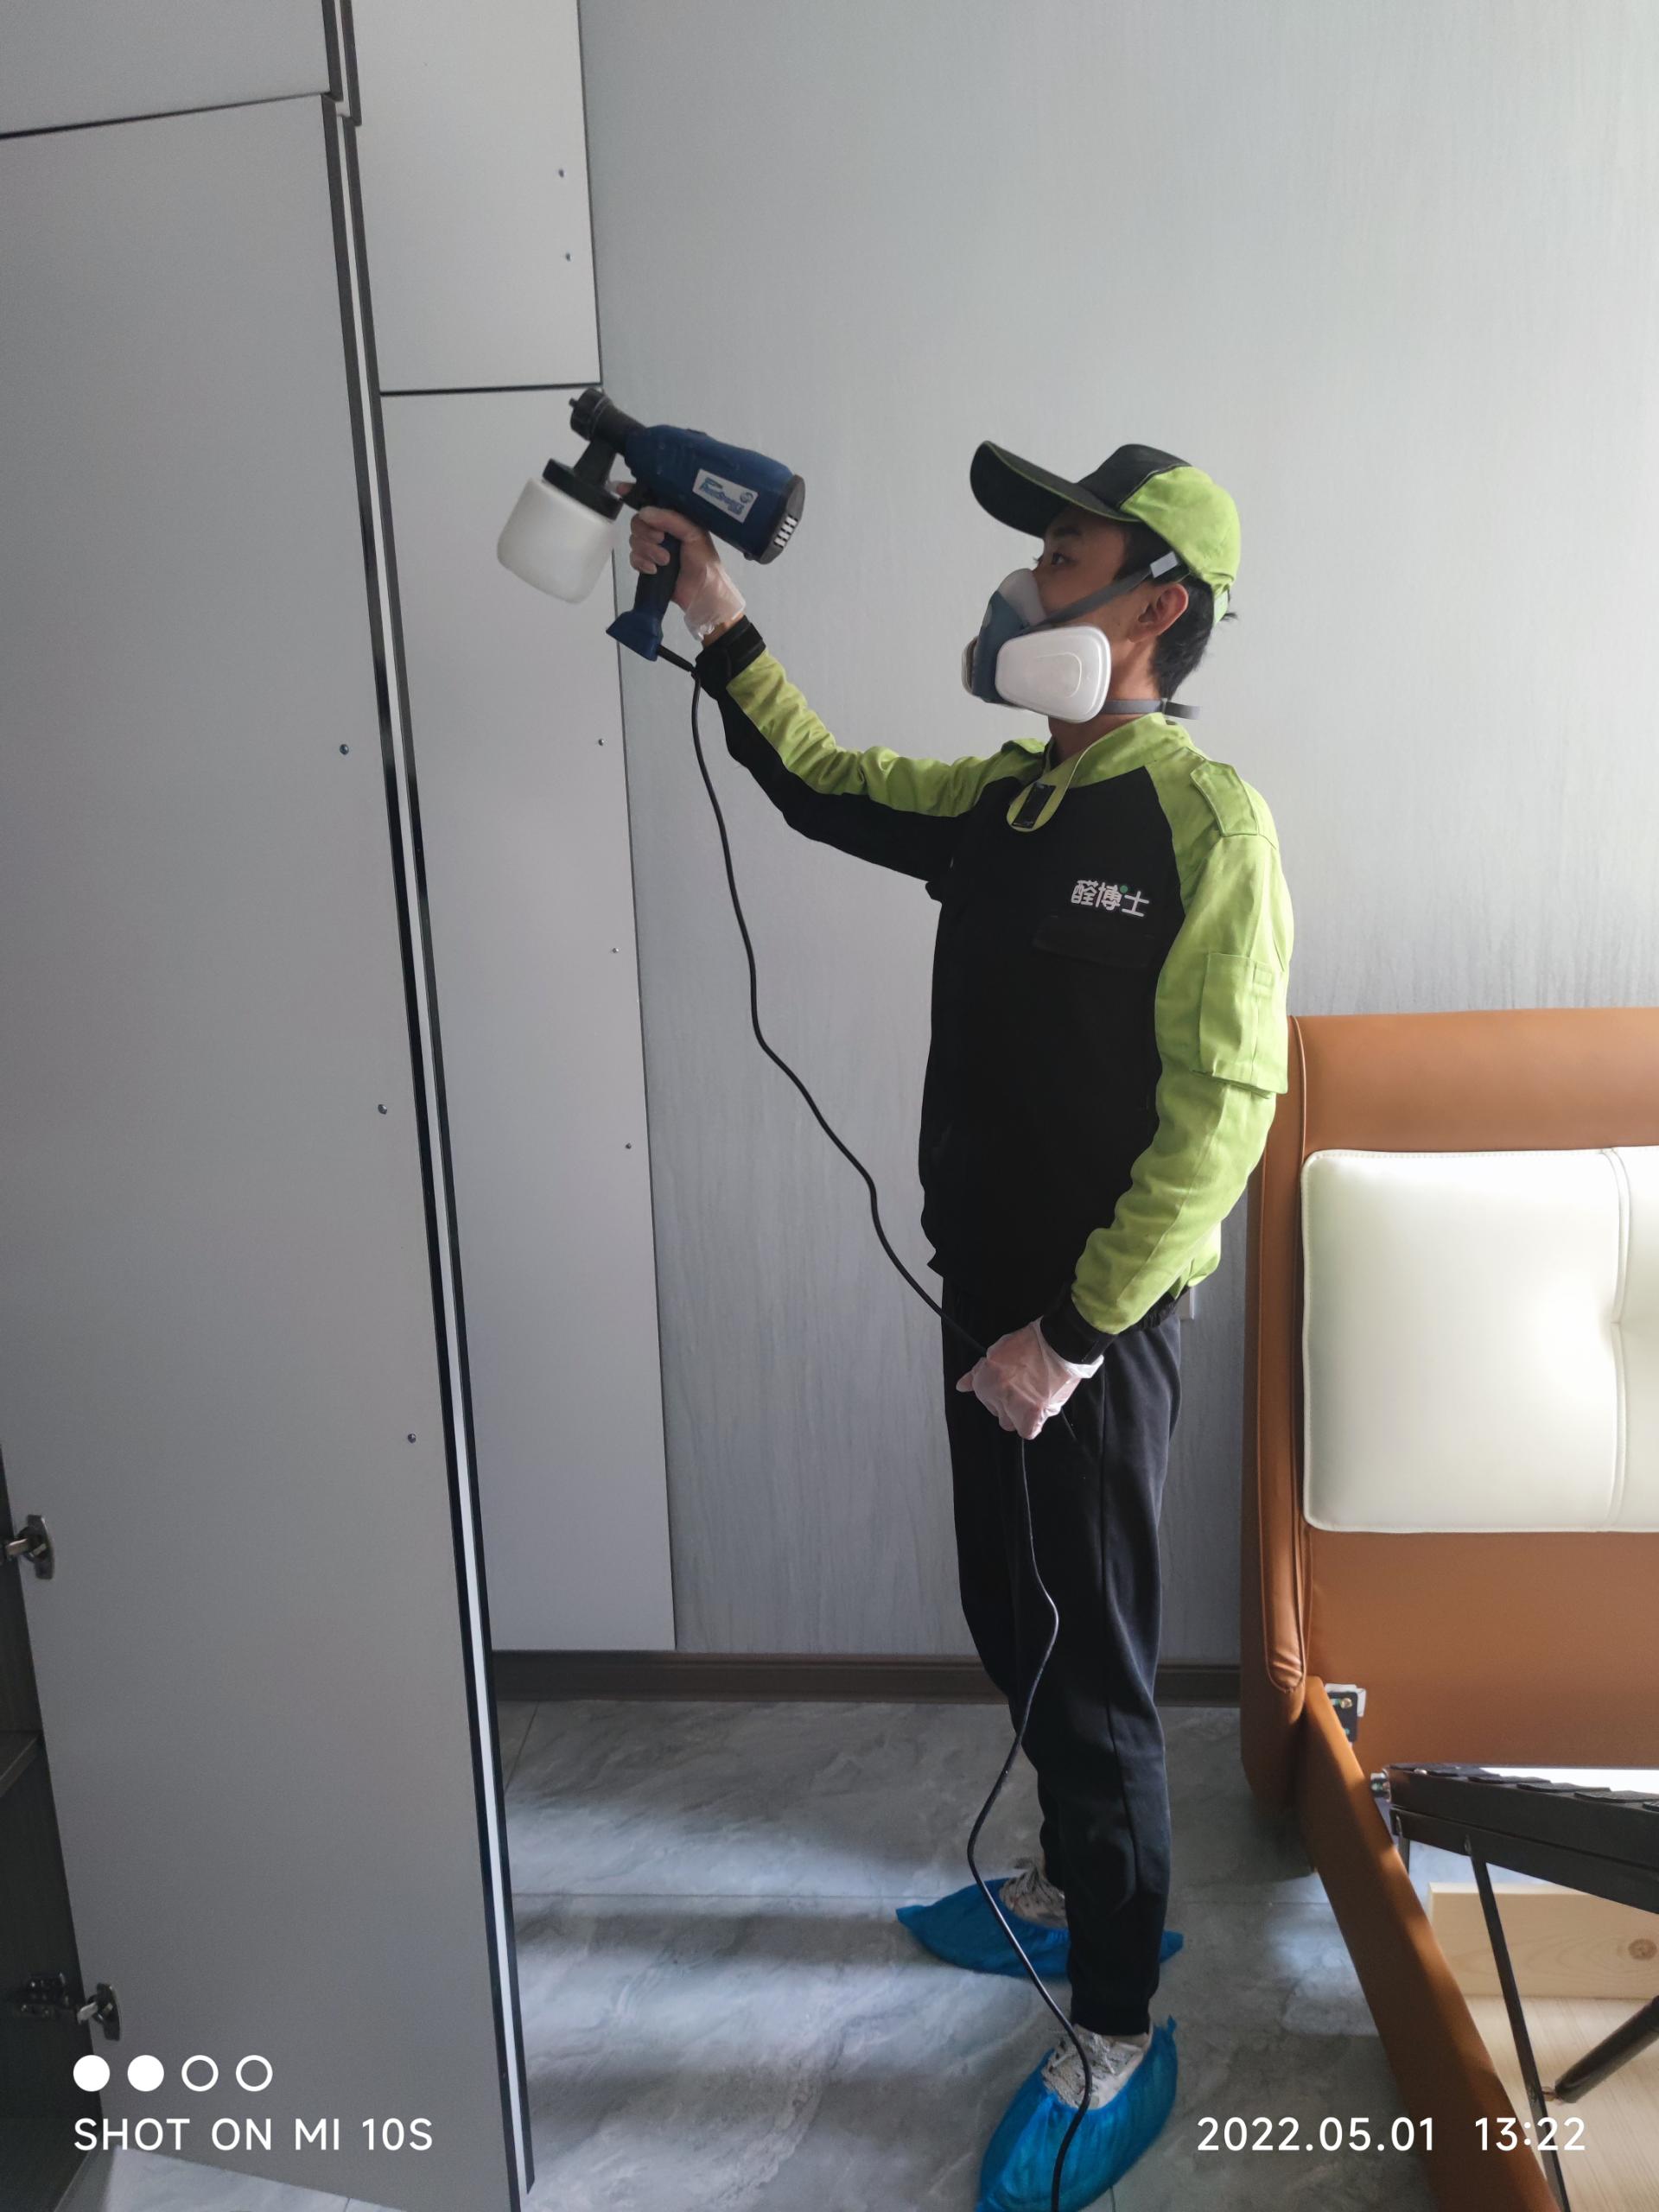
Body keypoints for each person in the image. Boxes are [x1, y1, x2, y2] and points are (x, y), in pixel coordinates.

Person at [619, 438, 1293, 2209]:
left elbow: (1221, 1120)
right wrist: (715, 608)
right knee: (1012, 1613)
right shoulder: (1010, 806)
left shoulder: (1205, 826)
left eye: (1059, 557)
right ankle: (1070, 1886)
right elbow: (823, 783)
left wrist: (1068, 1337)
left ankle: (1117, 2021)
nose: (1022, 586)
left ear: (1152, 604)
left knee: (1095, 1666)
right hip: (982, 1299)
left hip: (1087, 1336)